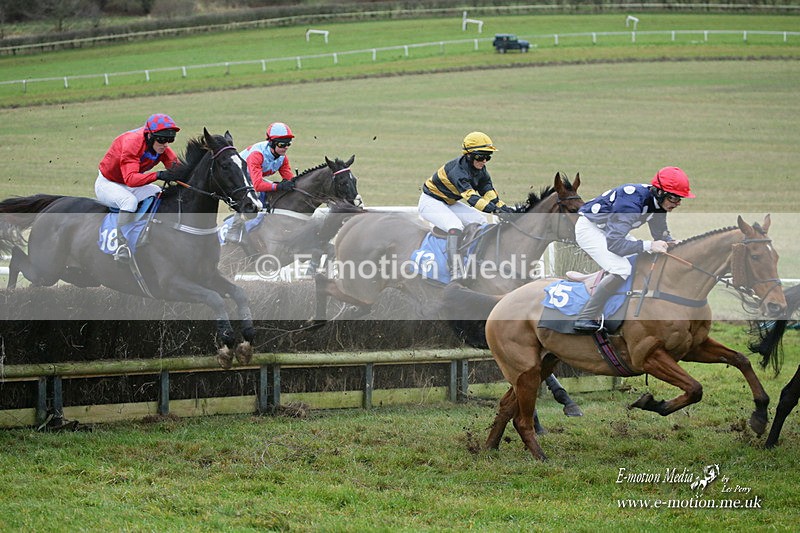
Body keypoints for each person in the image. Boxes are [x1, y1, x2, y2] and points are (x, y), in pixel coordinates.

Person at [572, 166, 694, 332]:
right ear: (659, 192)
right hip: (590, 229)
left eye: (680, 199)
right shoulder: (631, 202)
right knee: (621, 268)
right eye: (674, 198)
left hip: (609, 230)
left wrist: (674, 243)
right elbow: (615, 245)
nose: (677, 203)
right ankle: (585, 316)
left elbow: (661, 235)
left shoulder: (657, 203)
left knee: (640, 258)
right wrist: (650, 245)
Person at [418, 131, 514, 279]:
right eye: (480, 157)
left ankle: (475, 262)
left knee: (481, 222)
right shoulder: (458, 171)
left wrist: (504, 208)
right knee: (455, 226)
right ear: (468, 156)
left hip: (449, 202)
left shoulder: (481, 170)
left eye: (488, 157)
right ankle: (455, 269)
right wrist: (495, 211)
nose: (484, 161)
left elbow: (488, 192)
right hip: (430, 202)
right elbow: (472, 198)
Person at [95, 113, 180, 262]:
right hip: (108, 184)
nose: (166, 144)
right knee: (129, 202)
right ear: (149, 136)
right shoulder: (132, 143)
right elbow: (130, 179)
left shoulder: (161, 147)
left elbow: (178, 170)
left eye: (170, 140)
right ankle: (122, 245)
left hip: (128, 184)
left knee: (159, 192)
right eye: (161, 139)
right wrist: (158, 175)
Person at [227, 122, 297, 244]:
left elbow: (290, 179)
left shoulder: (282, 158)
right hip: (236, 178)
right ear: (271, 143)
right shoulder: (257, 155)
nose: (285, 147)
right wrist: (279, 186)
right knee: (254, 195)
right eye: (282, 144)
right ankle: (234, 229)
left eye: (288, 144)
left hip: (252, 178)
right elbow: (258, 186)